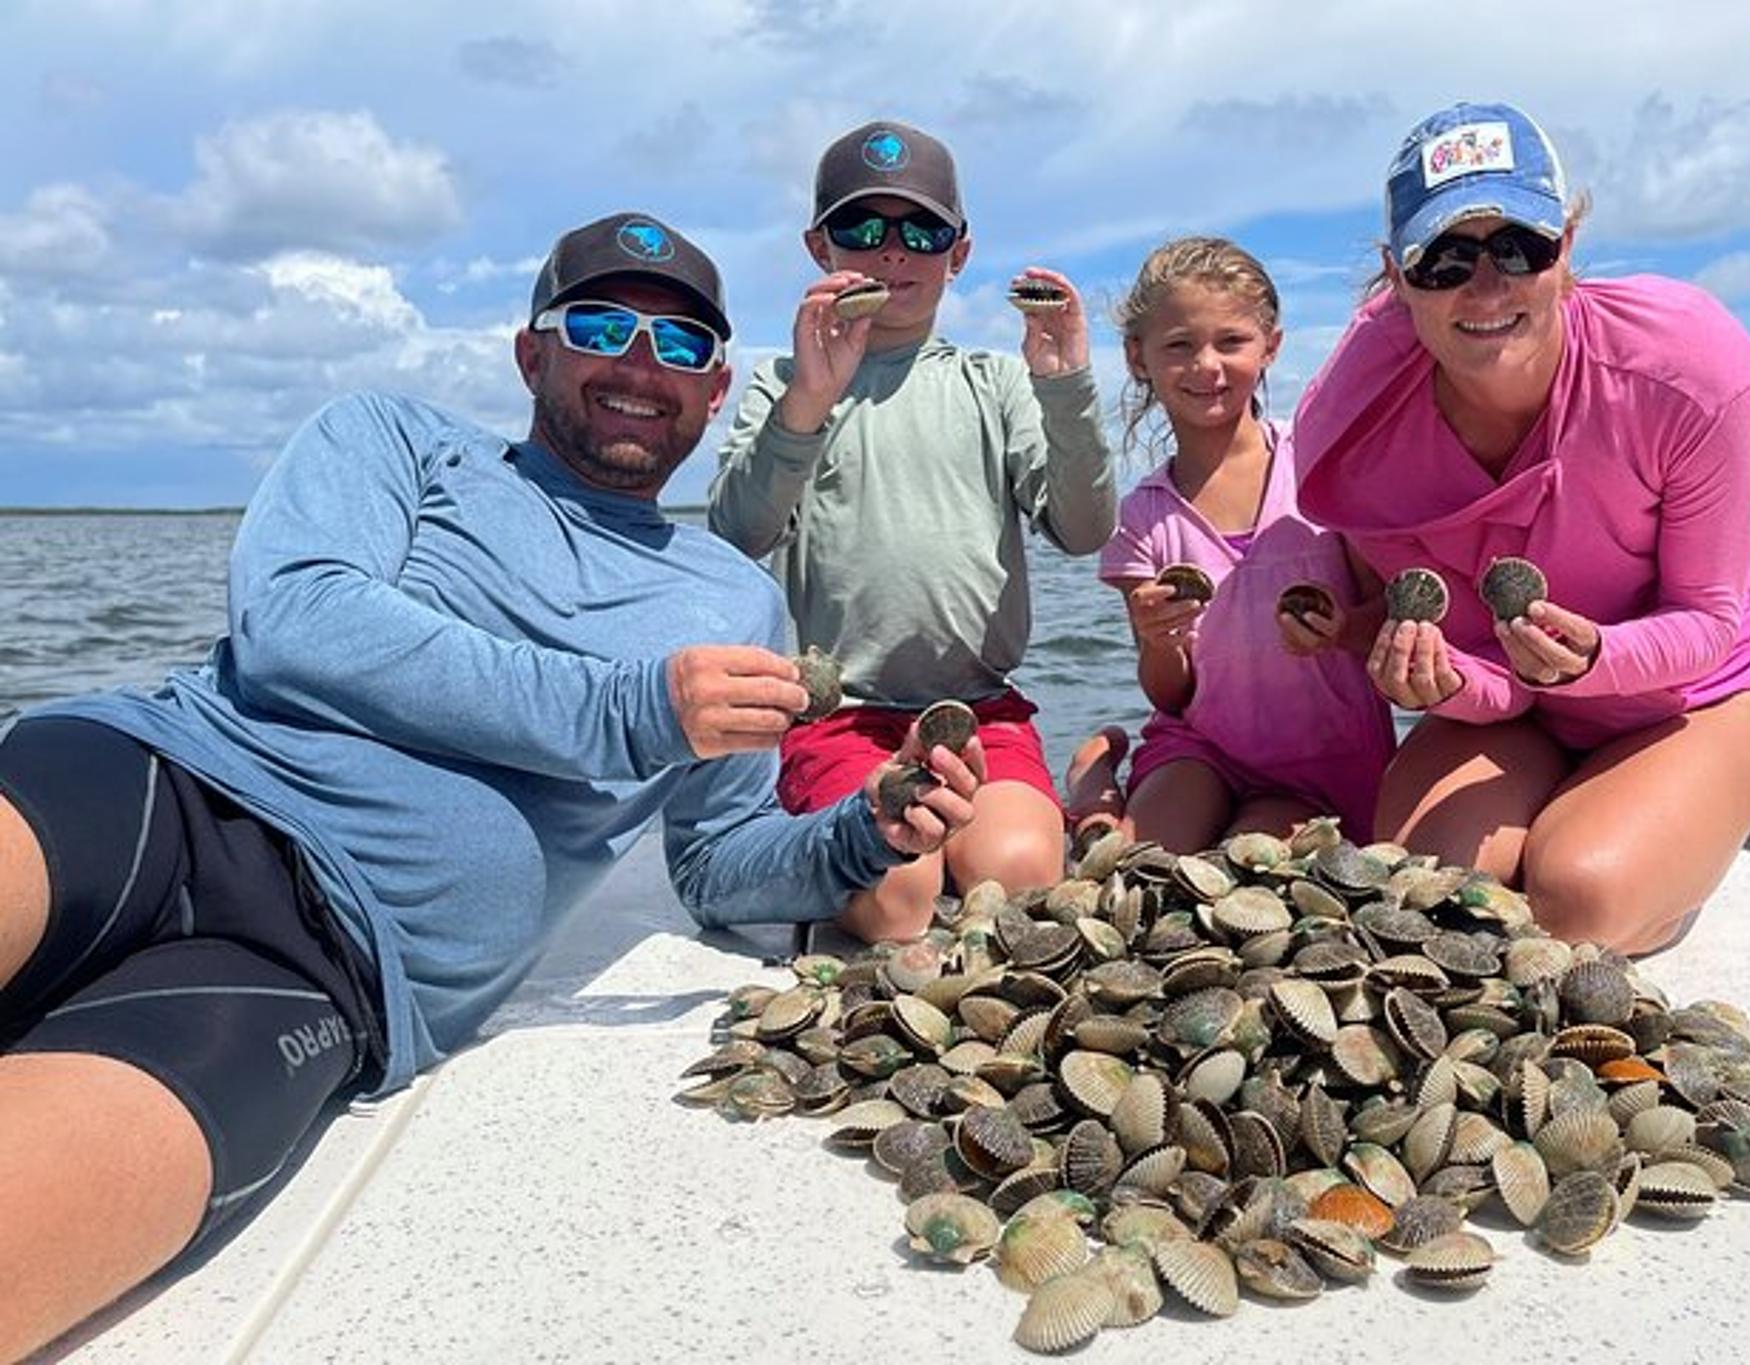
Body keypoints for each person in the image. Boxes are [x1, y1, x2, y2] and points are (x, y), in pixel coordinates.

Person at [0, 211, 980, 1359]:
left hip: (331, 960)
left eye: (679, 345)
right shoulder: (394, 439)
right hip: (153, 786)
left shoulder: (734, 600)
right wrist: (628, 711)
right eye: (600, 326)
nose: (638, 364)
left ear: (717, 392)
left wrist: (864, 830)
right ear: (530, 354)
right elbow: (295, 620)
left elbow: (719, 864)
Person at [1290, 101, 1750, 954]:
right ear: (1397, 275)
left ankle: (1657, 875)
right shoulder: (1357, 437)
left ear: (1568, 245)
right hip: (1512, 716)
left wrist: (1595, 659)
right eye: (1445, 259)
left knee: (1577, 897)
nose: (1486, 288)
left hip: (1691, 699)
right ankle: (1582, 812)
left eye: (1519, 247)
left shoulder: (1688, 368)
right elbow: (1489, 674)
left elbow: (1709, 620)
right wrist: (1442, 683)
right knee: (1425, 904)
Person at [708, 119, 1116, 941]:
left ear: (958, 253)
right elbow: (737, 533)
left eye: (921, 232)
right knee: (898, 897)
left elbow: (1082, 529)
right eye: (864, 229)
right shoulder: (786, 382)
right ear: (819, 247)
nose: (893, 252)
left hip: (983, 711)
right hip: (842, 719)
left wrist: (1066, 385)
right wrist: (807, 403)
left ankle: (1064, 796)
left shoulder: (995, 381)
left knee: (1021, 873)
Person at [1062, 237, 1395, 854]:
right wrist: (1159, 640)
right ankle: (1095, 794)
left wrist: (1343, 630)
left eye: (1231, 341)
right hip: (1199, 748)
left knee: (1248, 862)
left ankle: (1097, 791)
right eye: (1179, 345)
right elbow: (1170, 694)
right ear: (1138, 357)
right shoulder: (1142, 516)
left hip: (1324, 759)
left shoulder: (1321, 467)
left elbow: (1386, 621)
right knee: (1139, 866)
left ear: (1271, 347)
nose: (1206, 365)